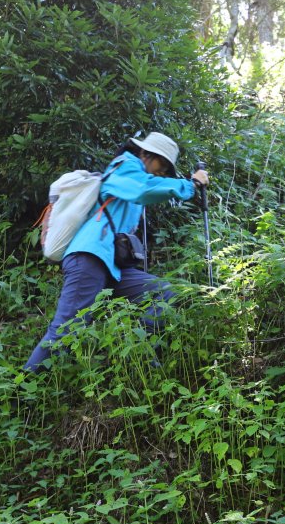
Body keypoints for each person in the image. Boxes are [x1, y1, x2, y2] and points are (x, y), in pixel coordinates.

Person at [23, 132, 209, 372]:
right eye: (161, 167)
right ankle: (25, 389)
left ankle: (141, 357)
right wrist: (190, 184)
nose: (159, 174)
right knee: (66, 329)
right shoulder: (124, 166)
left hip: (113, 267)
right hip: (89, 257)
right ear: (145, 154)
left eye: (164, 172)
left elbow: (149, 190)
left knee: (165, 293)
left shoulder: (136, 181)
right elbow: (144, 188)